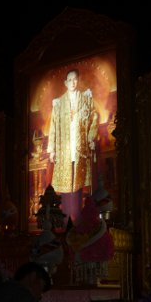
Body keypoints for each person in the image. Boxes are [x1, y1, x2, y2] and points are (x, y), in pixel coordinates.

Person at [47, 69, 99, 223]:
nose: (73, 83)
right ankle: (66, 219)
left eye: (75, 79)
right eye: (69, 80)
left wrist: (90, 137)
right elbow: (53, 126)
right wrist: (52, 150)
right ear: (65, 83)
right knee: (65, 187)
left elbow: (93, 118)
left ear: (78, 80)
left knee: (78, 185)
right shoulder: (58, 103)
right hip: (64, 150)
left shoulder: (86, 98)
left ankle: (78, 218)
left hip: (80, 148)